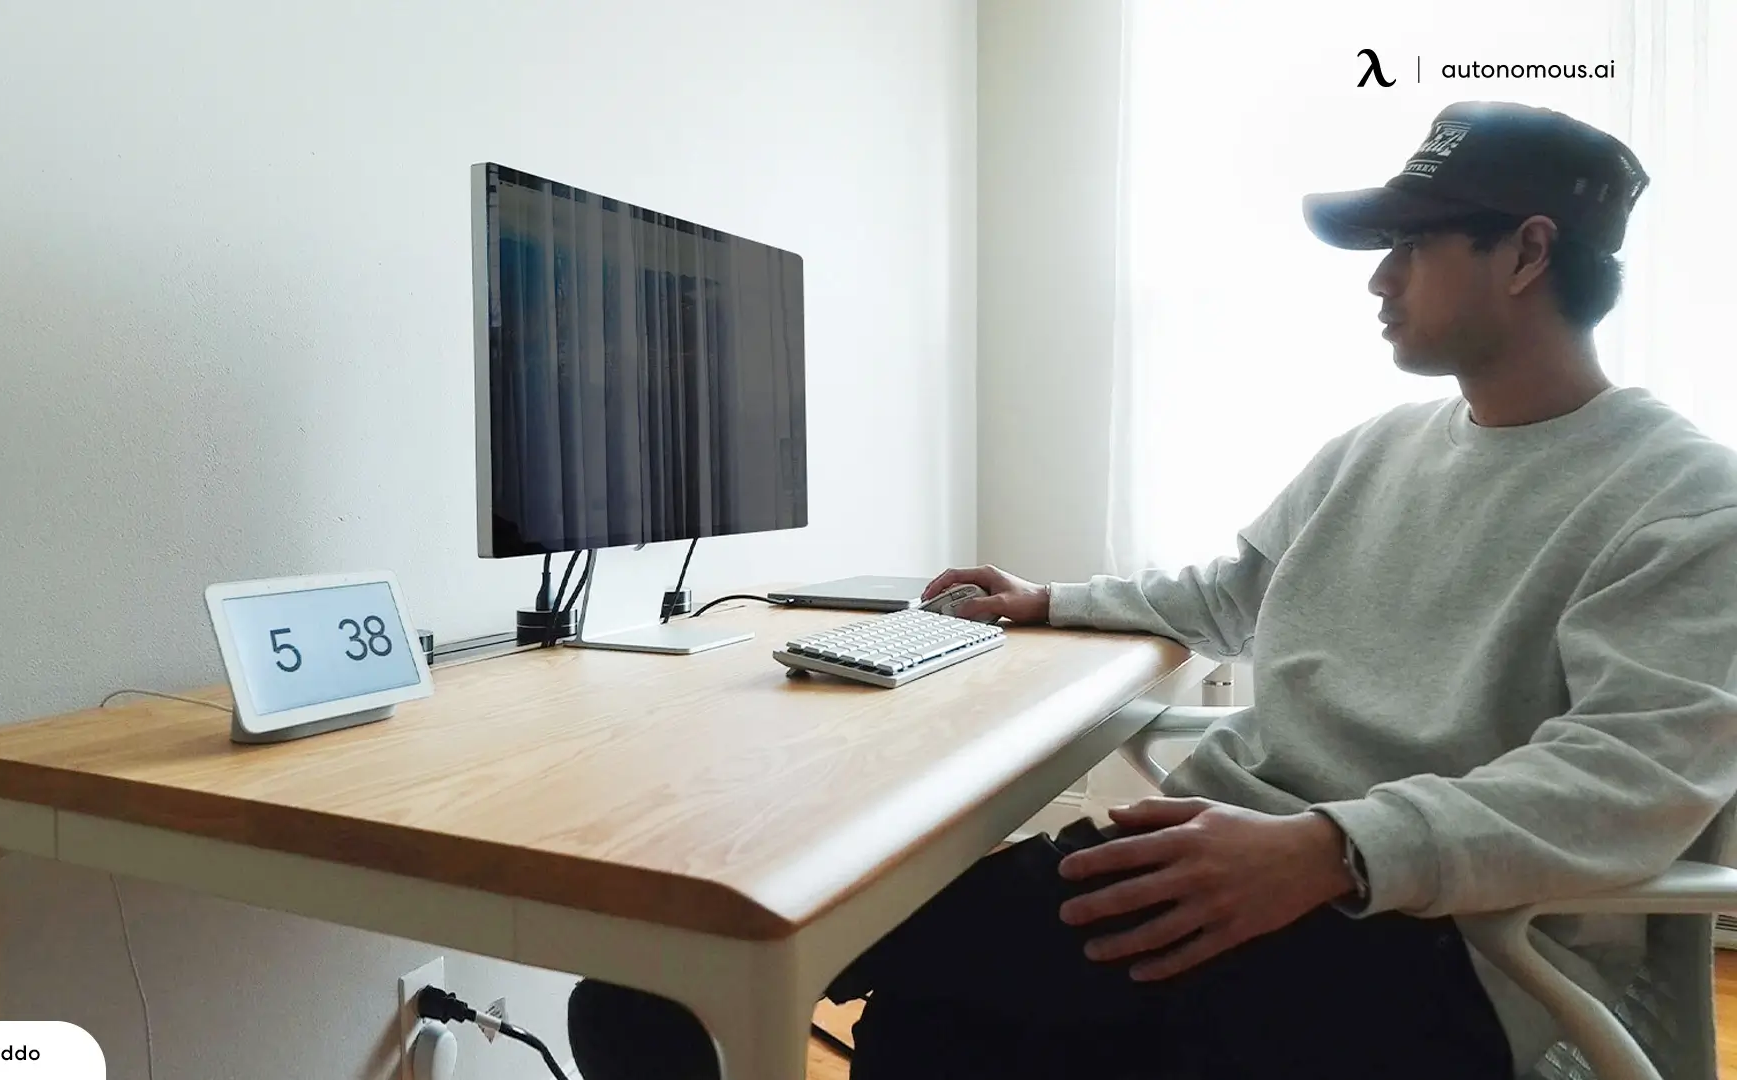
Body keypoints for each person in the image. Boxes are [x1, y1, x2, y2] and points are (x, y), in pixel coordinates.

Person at [565, 101, 1737, 1079]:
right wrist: (1051, 599)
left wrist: (1333, 848)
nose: (1379, 280)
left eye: (1413, 244)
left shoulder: (1685, 500)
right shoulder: (1377, 448)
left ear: (1527, 254)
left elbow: (1630, 781)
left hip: (1445, 941)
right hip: (1232, 851)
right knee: (660, 989)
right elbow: (1229, 591)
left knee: (942, 1020)